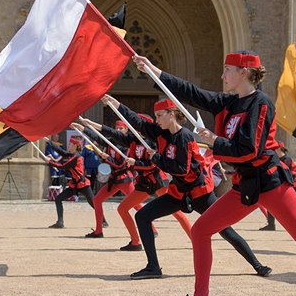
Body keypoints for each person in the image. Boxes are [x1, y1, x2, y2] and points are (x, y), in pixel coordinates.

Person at [132, 53, 296, 296]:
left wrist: (215, 140)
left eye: (228, 70)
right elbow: (192, 93)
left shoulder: (260, 103)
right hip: (244, 186)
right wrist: (153, 70)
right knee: (201, 230)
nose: (223, 76)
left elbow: (249, 149)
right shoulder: (228, 102)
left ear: (245, 73)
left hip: (272, 184)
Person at [101, 95, 272, 283]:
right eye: (155, 116)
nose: (156, 120)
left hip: (199, 192)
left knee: (224, 229)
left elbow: (181, 168)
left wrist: (156, 158)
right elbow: (137, 122)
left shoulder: (185, 137)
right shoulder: (161, 133)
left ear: (172, 114)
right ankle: (153, 267)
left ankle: (257, 264)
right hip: (178, 192)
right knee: (142, 216)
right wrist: (114, 103)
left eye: (159, 115)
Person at [75, 117, 189, 248]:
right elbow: (108, 134)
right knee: (122, 208)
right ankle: (135, 242)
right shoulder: (132, 140)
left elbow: (153, 165)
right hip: (142, 182)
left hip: (155, 180)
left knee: (176, 212)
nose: (134, 127)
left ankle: (193, 237)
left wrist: (134, 163)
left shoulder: (153, 141)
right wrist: (87, 126)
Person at [81, 120, 136, 238]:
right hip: (114, 180)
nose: (118, 130)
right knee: (97, 200)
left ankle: (152, 228)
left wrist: (106, 158)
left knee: (136, 204)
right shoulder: (110, 142)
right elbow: (98, 137)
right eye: (116, 128)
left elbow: (120, 164)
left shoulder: (127, 145)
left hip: (124, 179)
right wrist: (83, 129)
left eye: (121, 128)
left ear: (126, 130)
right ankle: (98, 230)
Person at [44, 137, 96, 228]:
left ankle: (103, 221)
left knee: (94, 203)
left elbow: (63, 166)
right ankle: (60, 222)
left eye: (70, 144)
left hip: (82, 184)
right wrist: (48, 141)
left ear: (75, 146)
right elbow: (60, 150)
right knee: (58, 199)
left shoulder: (76, 157)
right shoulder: (71, 155)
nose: (69, 145)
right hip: (74, 184)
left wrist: (50, 162)